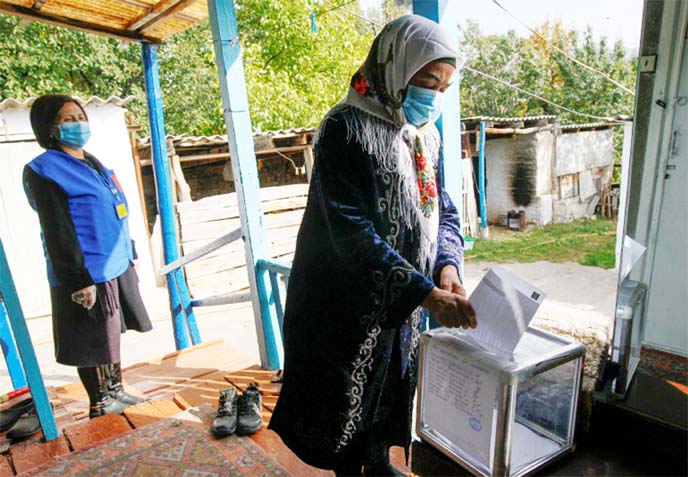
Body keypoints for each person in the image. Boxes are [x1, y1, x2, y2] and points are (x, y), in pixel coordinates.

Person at [268, 15, 477, 477]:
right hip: (344, 303)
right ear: (395, 68)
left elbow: (440, 207)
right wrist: (422, 292)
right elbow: (348, 229)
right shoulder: (344, 129)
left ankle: (380, 463)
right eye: (426, 81)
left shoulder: (425, 136)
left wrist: (446, 267)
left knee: (391, 388)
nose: (434, 96)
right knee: (345, 404)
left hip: (402, 303)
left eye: (444, 86)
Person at [23, 94, 153, 419]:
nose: (77, 124)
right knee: (90, 338)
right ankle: (101, 401)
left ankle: (116, 390)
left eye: (79, 116)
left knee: (109, 333)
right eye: (66, 119)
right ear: (50, 129)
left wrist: (130, 252)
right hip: (84, 270)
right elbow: (57, 229)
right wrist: (78, 279)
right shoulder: (44, 170)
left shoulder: (93, 163)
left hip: (113, 263)